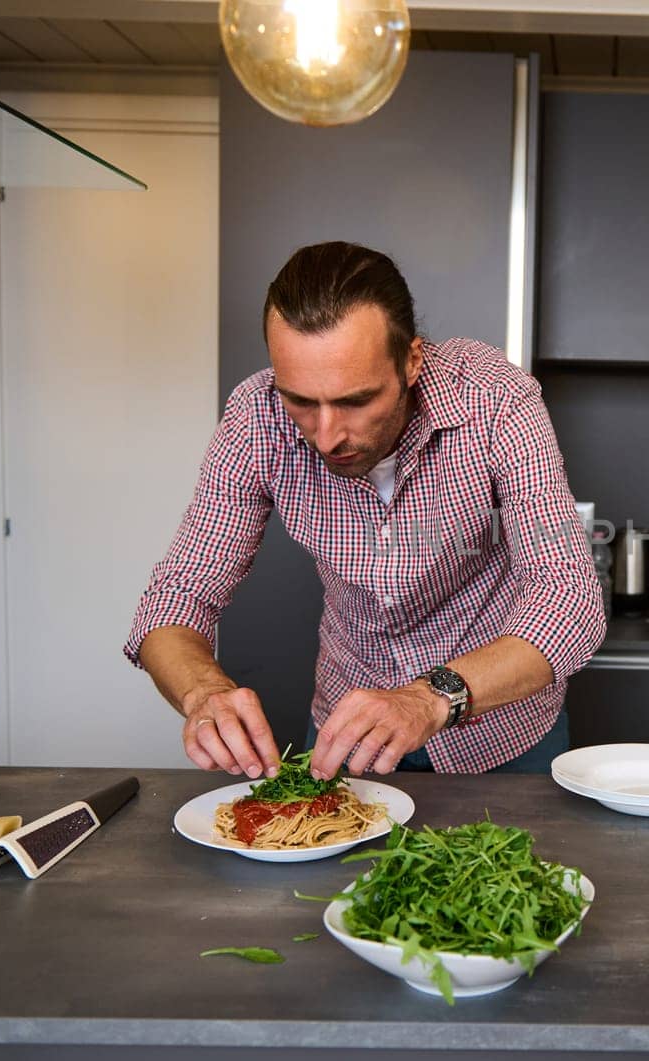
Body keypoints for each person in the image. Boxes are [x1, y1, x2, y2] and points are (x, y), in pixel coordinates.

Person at [124, 242, 605, 781]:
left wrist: (427, 700)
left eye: (355, 401)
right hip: (345, 736)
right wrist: (203, 694)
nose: (326, 436)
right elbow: (179, 595)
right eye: (301, 401)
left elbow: (567, 598)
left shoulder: (493, 398)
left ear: (412, 360)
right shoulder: (256, 418)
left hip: (502, 734)